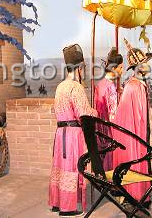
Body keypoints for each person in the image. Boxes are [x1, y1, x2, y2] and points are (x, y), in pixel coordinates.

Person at [48, 44, 97, 217]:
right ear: (80, 67)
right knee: (72, 168)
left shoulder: (60, 86)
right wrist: (95, 112)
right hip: (72, 135)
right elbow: (83, 113)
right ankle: (68, 207)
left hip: (60, 133)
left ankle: (57, 202)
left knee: (61, 168)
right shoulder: (76, 87)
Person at [112, 40, 152, 209]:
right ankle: (136, 195)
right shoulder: (134, 87)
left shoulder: (135, 85)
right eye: (144, 65)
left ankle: (140, 194)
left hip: (135, 132)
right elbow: (137, 117)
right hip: (133, 134)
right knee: (136, 160)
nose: (147, 67)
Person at [94, 47, 123, 171]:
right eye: (120, 67)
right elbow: (114, 115)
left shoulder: (100, 84)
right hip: (108, 129)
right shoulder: (110, 87)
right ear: (114, 68)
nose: (122, 71)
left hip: (98, 127)